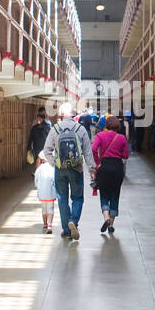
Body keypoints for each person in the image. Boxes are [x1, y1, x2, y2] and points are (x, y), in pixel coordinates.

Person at [42, 101, 95, 240]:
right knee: (77, 198)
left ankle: (66, 229)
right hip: (76, 168)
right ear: (72, 114)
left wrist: (55, 163)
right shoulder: (80, 129)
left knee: (62, 198)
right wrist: (92, 169)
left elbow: (46, 150)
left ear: (61, 114)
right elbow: (87, 152)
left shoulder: (55, 129)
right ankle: (74, 221)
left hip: (60, 169)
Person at [92, 114, 130, 235]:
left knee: (104, 194)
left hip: (104, 167)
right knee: (114, 194)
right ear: (118, 126)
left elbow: (93, 149)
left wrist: (98, 162)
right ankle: (111, 226)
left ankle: (106, 218)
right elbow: (126, 156)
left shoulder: (100, 135)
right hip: (117, 168)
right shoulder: (121, 138)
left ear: (107, 125)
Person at [34, 156, 56, 234]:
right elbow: (54, 180)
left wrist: (38, 186)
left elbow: (36, 180)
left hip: (42, 193)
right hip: (50, 192)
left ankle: (45, 224)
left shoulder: (39, 169)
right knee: (50, 208)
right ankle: (50, 225)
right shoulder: (53, 168)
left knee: (44, 209)